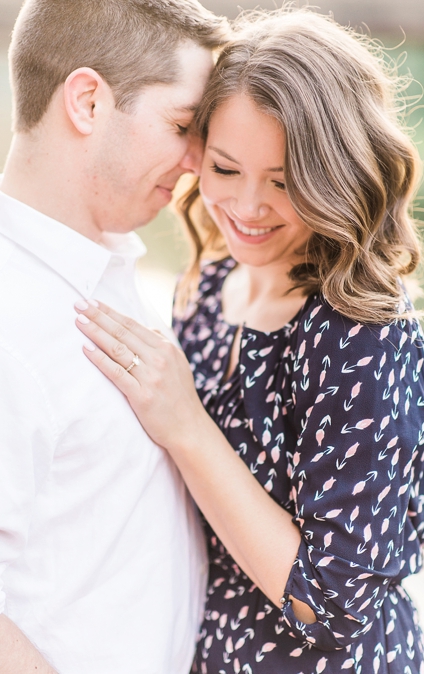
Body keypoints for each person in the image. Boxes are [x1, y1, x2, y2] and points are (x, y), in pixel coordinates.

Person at [74, 9, 424, 673]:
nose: (246, 208)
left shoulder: (361, 334)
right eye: (225, 168)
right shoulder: (211, 286)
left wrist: (187, 426)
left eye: (283, 178)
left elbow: (333, 605)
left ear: (339, 174)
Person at [0, 1, 229, 672]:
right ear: (88, 103)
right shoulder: (12, 315)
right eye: (183, 125)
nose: (196, 160)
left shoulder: (103, 262)